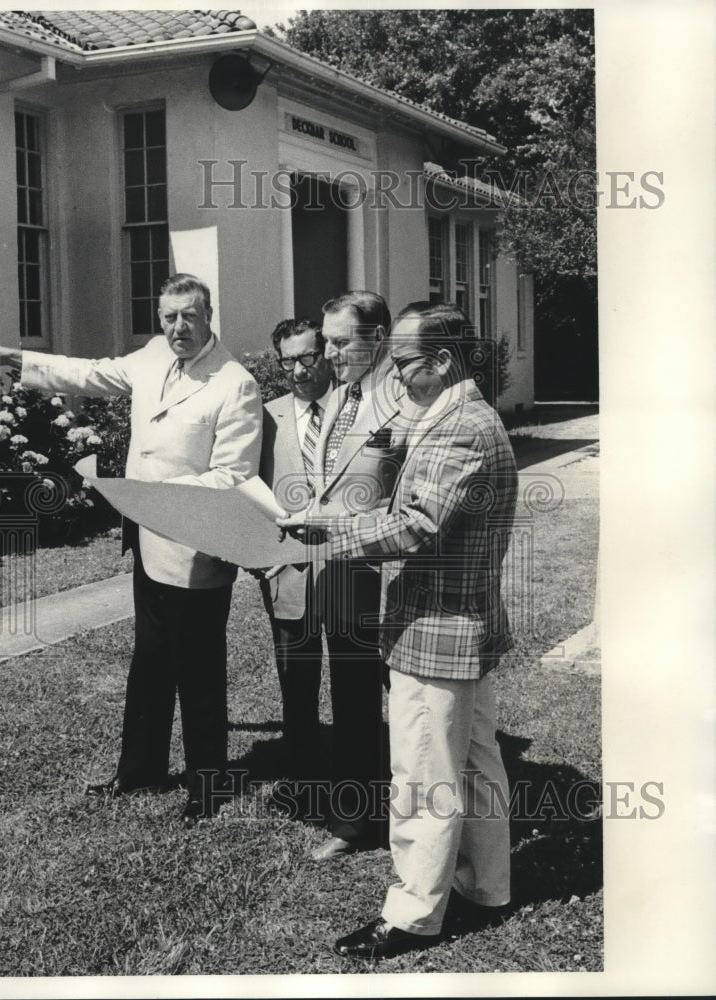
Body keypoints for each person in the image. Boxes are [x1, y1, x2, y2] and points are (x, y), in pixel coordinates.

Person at [0, 273, 262, 821]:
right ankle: (139, 772)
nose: (177, 328)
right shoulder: (150, 357)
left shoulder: (234, 383)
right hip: (147, 545)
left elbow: (233, 477)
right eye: (168, 317)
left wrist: (146, 495)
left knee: (198, 672)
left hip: (196, 549)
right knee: (149, 664)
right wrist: (2, 361)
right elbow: (87, 373)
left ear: (209, 315)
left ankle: (209, 788)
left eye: (189, 316)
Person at [279, 301, 518, 957]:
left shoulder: (461, 427)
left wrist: (330, 528)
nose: (396, 374)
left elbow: (414, 524)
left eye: (405, 363)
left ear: (440, 362)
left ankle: (412, 916)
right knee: (472, 764)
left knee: (421, 775)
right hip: (457, 625)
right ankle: (486, 888)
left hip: (437, 630)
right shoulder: (450, 414)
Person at [303, 291, 406, 860]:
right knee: (352, 699)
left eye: (342, 342)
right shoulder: (339, 398)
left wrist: (339, 522)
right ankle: (353, 820)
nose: (331, 353)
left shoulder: (406, 404)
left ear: (379, 337)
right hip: (341, 578)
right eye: (328, 342)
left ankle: (429, 820)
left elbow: (414, 503)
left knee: (413, 706)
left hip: (389, 579)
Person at [255, 319, 334, 805]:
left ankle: (362, 770)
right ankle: (304, 778)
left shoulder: (356, 409)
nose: (300, 370)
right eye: (288, 361)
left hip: (350, 568)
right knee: (297, 682)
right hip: (288, 572)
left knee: (361, 677)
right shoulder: (265, 417)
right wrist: (260, 558)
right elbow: (248, 490)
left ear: (324, 353)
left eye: (308, 358)